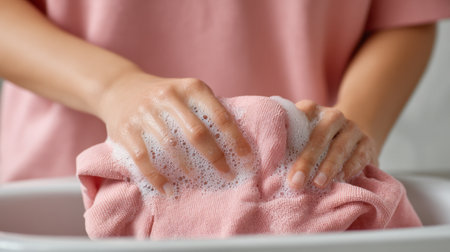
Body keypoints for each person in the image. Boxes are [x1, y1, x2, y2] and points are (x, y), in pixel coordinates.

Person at [0, 0, 448, 195]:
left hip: (305, 194)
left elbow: (403, 13)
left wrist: (353, 127)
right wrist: (112, 86)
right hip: (59, 189)